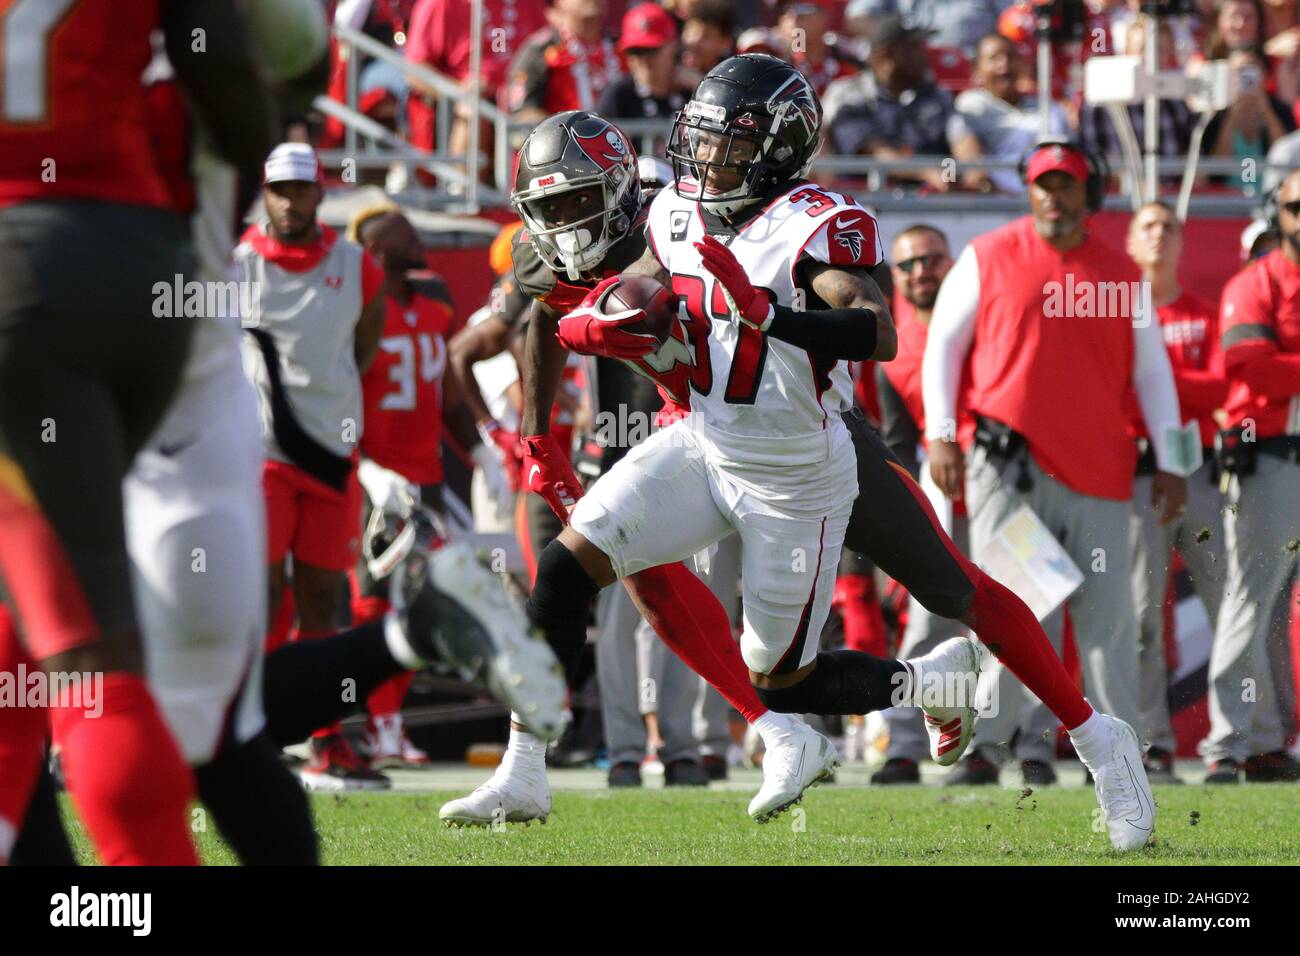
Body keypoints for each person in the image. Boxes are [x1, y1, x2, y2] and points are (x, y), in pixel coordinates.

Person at [457, 61, 1161, 852]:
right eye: (703, 135)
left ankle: (1101, 742)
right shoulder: (676, 210)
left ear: (777, 147)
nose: (705, 155)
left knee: (935, 601)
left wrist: (768, 316)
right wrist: (596, 323)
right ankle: (524, 769)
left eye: (729, 142)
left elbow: (875, 330)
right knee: (565, 565)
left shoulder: (817, 223)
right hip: (703, 440)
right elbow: (640, 289)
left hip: (806, 459)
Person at [439, 109, 838, 826]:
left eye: (576, 201)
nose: (563, 221)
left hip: (758, 426)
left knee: (883, 594)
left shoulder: (669, 230)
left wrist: (599, 324)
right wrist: (534, 437)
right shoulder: (541, 254)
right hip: (663, 433)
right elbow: (540, 313)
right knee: (608, 580)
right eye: (548, 206)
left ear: (621, 190)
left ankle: (862, 705)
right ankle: (540, 765)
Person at [0, 0, 278, 868]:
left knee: (82, 647)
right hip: (141, 266)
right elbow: (233, 65)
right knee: (33, 613)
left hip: (19, 274)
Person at [923, 138, 1186, 789]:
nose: (1053, 197)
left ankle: (1118, 750)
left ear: (1089, 194)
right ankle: (993, 746)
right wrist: (942, 433)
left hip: (1099, 475)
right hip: (1012, 472)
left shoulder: (1123, 276)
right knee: (1018, 613)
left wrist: (1175, 460)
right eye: (1043, 184)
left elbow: (1155, 375)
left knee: (1109, 625)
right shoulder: (989, 256)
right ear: (1029, 189)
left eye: (1066, 185)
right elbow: (943, 349)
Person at [237, 143, 389, 788]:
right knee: (264, 595)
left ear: (320, 194)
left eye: (300, 190)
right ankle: (262, 734)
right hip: (260, 457)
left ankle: (327, 738)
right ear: (264, 194)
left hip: (331, 456)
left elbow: (364, 346)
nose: (289, 201)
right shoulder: (233, 264)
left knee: (326, 598)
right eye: (279, 190)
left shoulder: (358, 265)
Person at [1124, 201, 1229, 783]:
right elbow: (1116, 394)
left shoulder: (1204, 313)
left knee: (1230, 606)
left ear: (1183, 242)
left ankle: (1237, 742)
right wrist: (1162, 383)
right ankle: (1149, 742)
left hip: (1202, 473)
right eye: (1148, 227)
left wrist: (1155, 378)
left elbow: (1221, 383)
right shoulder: (1119, 318)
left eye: (1169, 227)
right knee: (1140, 612)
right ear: (1132, 244)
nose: (1160, 236)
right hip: (1140, 479)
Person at [1203, 166, 1300, 783]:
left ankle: (1264, 740)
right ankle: (1226, 743)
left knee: (1269, 610)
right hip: (1271, 457)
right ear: (1276, 213)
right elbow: (1252, 368)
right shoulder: (1255, 281)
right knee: (1250, 600)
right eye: (1298, 207)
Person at [868, 224, 968, 785]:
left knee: (1017, 619)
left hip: (1000, 488)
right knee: (925, 624)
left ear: (949, 262)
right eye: (906, 265)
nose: (919, 272)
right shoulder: (894, 342)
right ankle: (904, 744)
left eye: (931, 260)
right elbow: (896, 439)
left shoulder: (979, 321)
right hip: (936, 499)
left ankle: (1008, 746)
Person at [823, 16, 957, 191]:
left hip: (937, 203)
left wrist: (973, 172)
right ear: (885, 57)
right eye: (914, 49)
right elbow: (873, 152)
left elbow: (962, 137)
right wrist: (926, 172)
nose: (925, 55)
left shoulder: (936, 94)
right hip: (867, 205)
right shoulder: (849, 93)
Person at [949, 33, 1071, 194]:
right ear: (977, 70)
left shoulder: (1049, 108)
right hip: (999, 203)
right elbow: (973, 170)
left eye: (1010, 56)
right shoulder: (971, 106)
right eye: (994, 58)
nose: (1004, 64)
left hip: (1049, 197)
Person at [504, 0, 625, 121]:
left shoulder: (624, 48)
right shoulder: (541, 50)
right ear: (553, 11)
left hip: (620, 137)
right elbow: (523, 111)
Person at [681, 0, 738, 75]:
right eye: (692, 32)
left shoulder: (731, 78)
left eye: (706, 36)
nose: (695, 41)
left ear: (726, 43)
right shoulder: (667, 68)